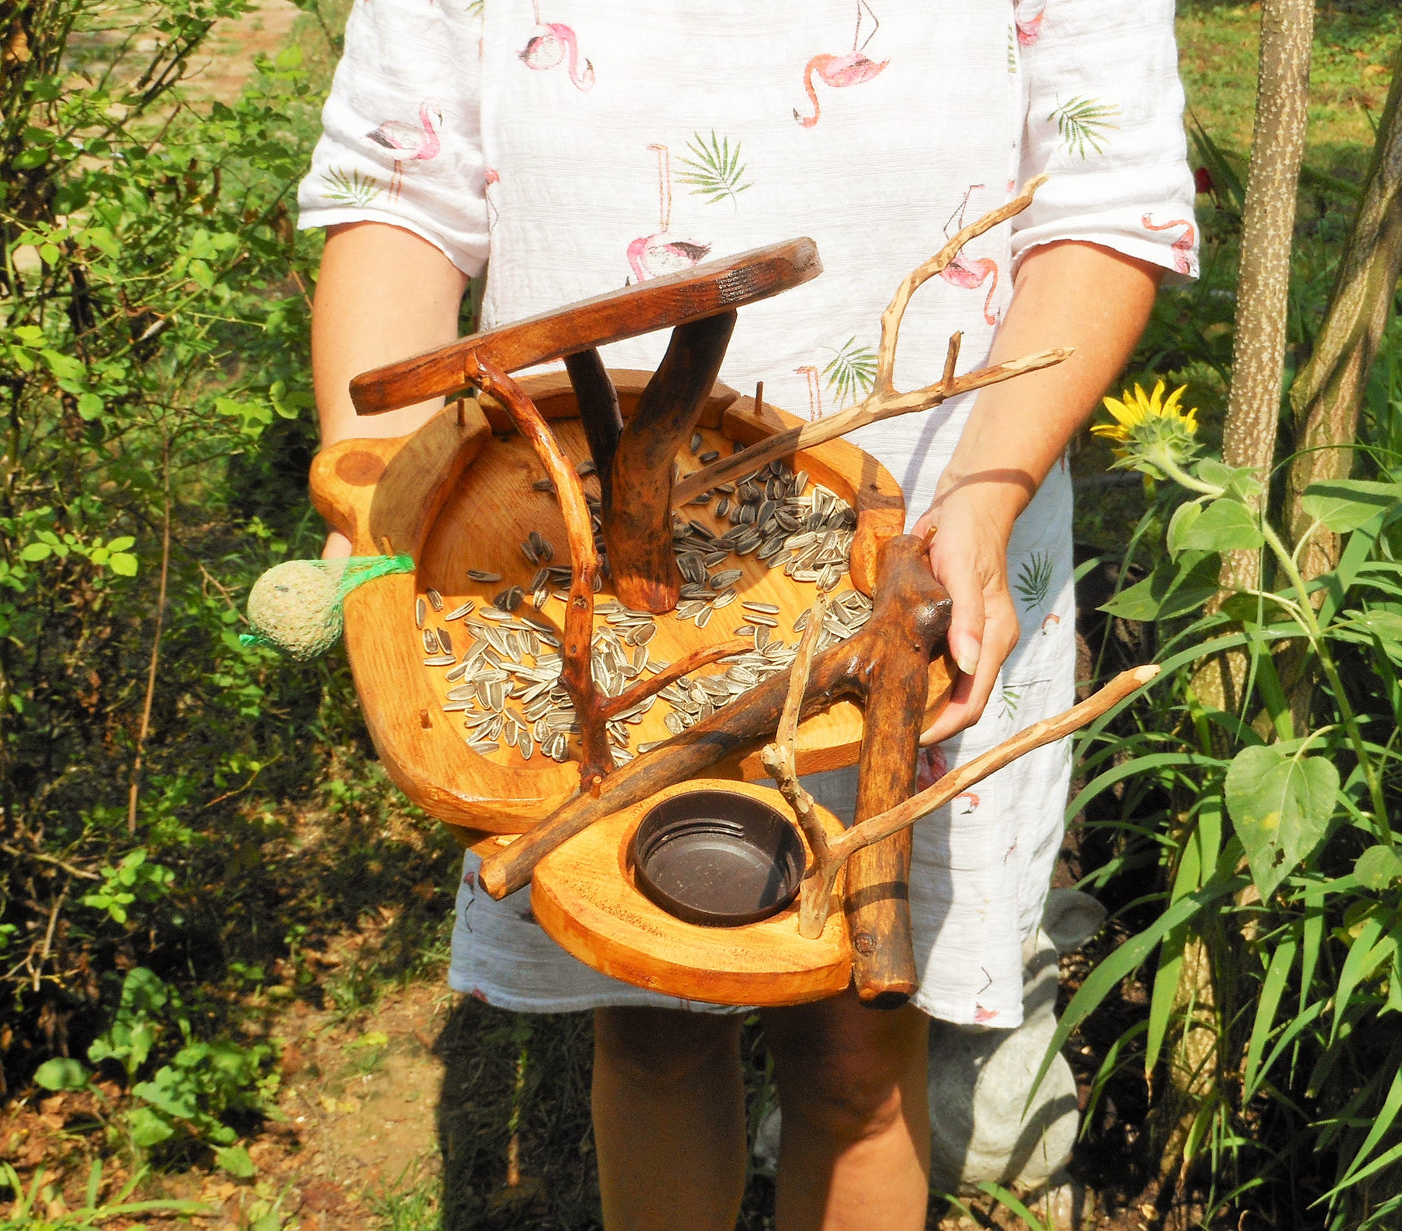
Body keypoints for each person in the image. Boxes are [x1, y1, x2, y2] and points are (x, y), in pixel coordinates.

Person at [297, 2, 1196, 1227]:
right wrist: (381, 489)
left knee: (855, 1058)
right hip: (591, 580)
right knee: (655, 1017)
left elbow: (1105, 199)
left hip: (919, 550)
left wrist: (979, 507)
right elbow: (398, 194)